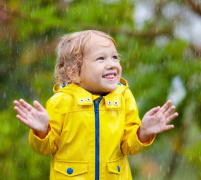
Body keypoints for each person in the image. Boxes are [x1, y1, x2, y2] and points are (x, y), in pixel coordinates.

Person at [13, 30, 178, 180]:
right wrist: (42, 131)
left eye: (114, 57)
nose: (112, 64)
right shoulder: (61, 102)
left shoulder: (124, 97)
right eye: (101, 58)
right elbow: (45, 148)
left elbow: (129, 146)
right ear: (74, 73)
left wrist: (143, 132)